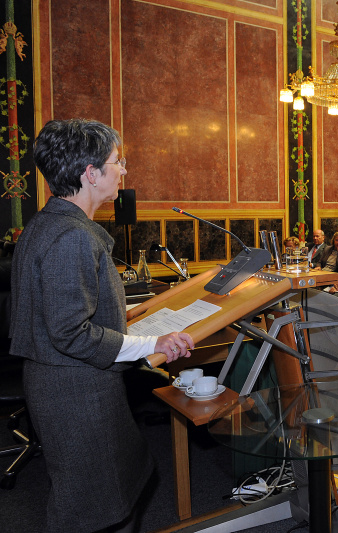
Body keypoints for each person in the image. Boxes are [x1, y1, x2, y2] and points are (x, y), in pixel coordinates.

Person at [10, 119, 194, 532]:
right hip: (76, 393)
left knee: (109, 492)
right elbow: (71, 332)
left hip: (66, 385)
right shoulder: (71, 236)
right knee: (94, 508)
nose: (124, 170)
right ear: (90, 174)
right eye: (117, 161)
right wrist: (151, 343)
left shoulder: (49, 224)